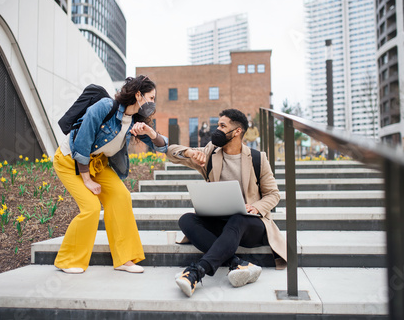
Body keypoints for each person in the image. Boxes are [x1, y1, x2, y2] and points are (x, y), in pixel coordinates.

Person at [53, 75, 168, 274]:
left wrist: (150, 133)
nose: (152, 103)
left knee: (121, 197)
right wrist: (86, 179)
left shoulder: (135, 121)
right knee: (90, 207)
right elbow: (82, 140)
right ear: (138, 95)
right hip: (70, 160)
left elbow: (162, 146)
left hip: (98, 163)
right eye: (150, 98)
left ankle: (124, 259)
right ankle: (69, 260)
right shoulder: (105, 106)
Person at [167, 109, 286, 297]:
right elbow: (171, 153)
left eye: (223, 126)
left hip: (250, 224)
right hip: (220, 221)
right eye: (217, 125)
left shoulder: (257, 158)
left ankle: (197, 272)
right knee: (186, 220)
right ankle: (237, 263)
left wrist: (256, 207)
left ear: (237, 131)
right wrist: (189, 152)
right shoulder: (210, 153)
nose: (218, 129)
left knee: (238, 219)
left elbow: (273, 194)